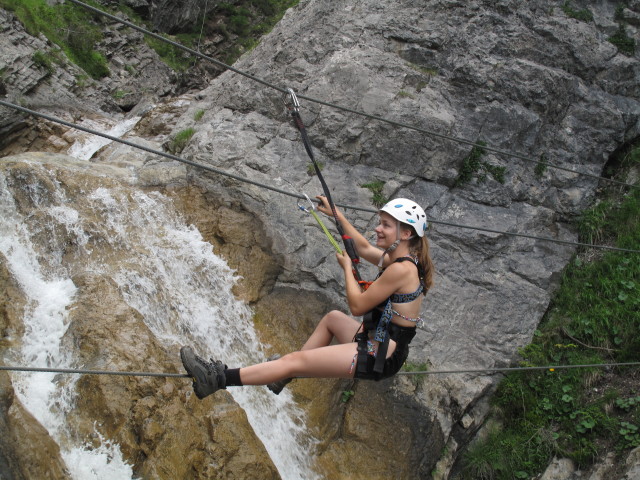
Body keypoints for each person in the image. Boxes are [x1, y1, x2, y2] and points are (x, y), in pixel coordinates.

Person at [180, 196, 435, 399]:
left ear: (405, 233)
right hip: (382, 342)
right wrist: (336, 214)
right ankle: (282, 376)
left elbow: (357, 305)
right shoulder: (403, 260)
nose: (377, 229)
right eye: (380, 222)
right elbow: (364, 248)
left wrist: (347, 269)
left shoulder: (401, 269)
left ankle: (217, 379)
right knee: (333, 319)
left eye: (386, 225)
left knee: (293, 361)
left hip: (380, 354)